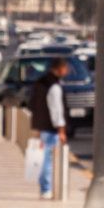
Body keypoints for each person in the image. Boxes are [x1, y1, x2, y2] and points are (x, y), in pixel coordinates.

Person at [27, 58, 69, 200]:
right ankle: (46, 189)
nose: (67, 71)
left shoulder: (40, 82)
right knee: (47, 159)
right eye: (65, 68)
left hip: (39, 125)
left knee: (41, 157)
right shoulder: (54, 86)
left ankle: (44, 188)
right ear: (59, 68)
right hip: (50, 128)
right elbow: (57, 110)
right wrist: (61, 130)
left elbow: (32, 103)